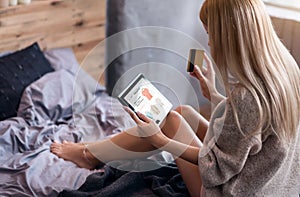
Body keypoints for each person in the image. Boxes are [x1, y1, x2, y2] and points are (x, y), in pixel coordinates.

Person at [50, 0, 300, 196]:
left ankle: (88, 155)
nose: (210, 43)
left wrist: (161, 140)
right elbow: (251, 132)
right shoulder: (286, 68)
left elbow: (215, 170)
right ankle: (89, 152)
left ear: (230, 36)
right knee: (183, 112)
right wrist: (213, 93)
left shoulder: (247, 98)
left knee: (171, 122)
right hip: (271, 186)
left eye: (211, 34)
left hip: (231, 191)